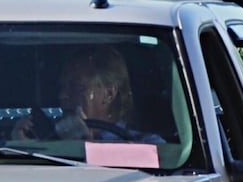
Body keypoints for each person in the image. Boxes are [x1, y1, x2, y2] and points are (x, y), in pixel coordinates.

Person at [20, 46, 156, 142]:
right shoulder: (51, 143)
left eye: (76, 87)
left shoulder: (147, 145)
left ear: (108, 94)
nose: (62, 95)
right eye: (62, 87)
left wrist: (84, 148)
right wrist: (24, 149)